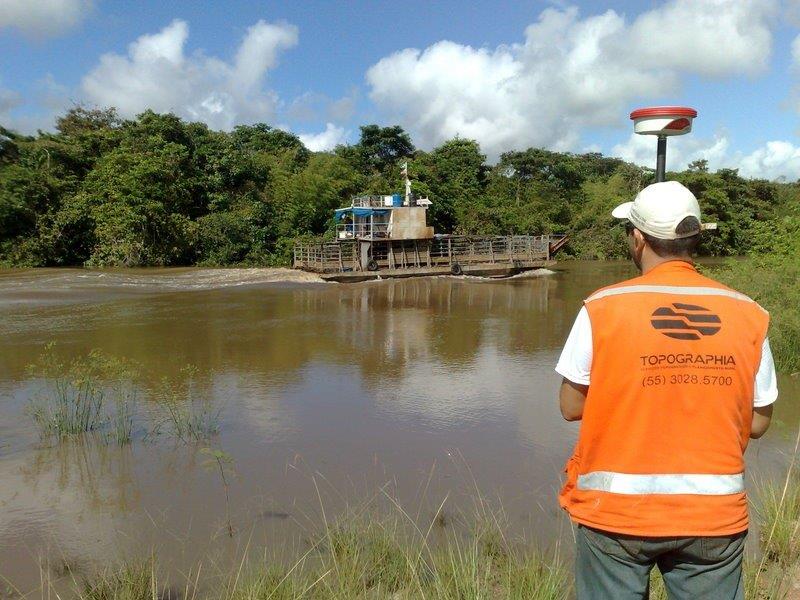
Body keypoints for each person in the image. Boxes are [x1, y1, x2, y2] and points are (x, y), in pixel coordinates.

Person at [554, 180, 778, 599]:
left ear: (637, 238)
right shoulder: (749, 313)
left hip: (615, 515)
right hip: (713, 517)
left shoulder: (601, 308)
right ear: (695, 238)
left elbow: (570, 406)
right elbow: (760, 422)